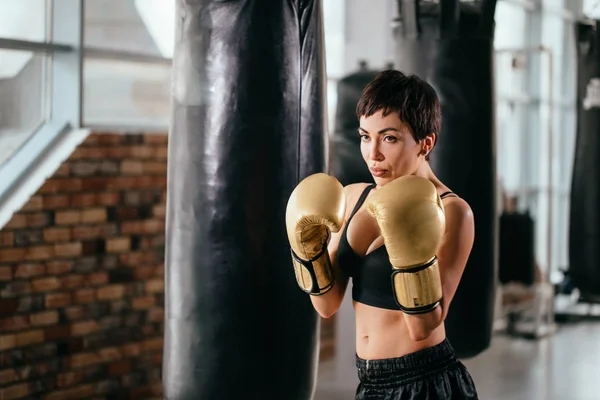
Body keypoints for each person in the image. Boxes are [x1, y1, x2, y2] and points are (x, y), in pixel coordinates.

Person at [286, 70, 478, 399]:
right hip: (370, 383)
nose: (373, 153)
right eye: (364, 136)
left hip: (425, 380)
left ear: (425, 142)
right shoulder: (352, 196)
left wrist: (411, 253)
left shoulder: (453, 211)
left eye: (389, 138)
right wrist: (308, 253)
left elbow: (422, 328)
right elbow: (327, 305)